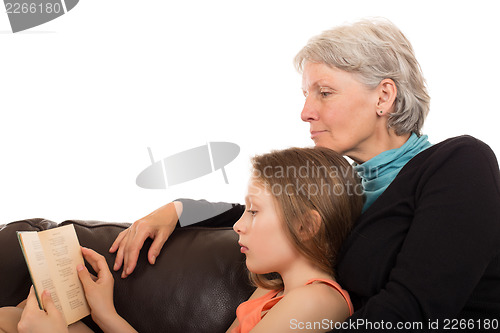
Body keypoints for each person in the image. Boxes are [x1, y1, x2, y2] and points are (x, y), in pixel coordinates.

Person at [108, 17, 500, 331]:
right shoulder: (348, 187)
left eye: (324, 92)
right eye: (306, 95)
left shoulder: (460, 164)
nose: (306, 112)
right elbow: (274, 214)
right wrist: (179, 210)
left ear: (384, 96)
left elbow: (414, 308)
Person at [2, 147, 364, 333]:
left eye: (253, 212)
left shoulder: (317, 301)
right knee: (17, 316)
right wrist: (105, 314)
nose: (239, 225)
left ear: (305, 226)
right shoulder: (271, 292)